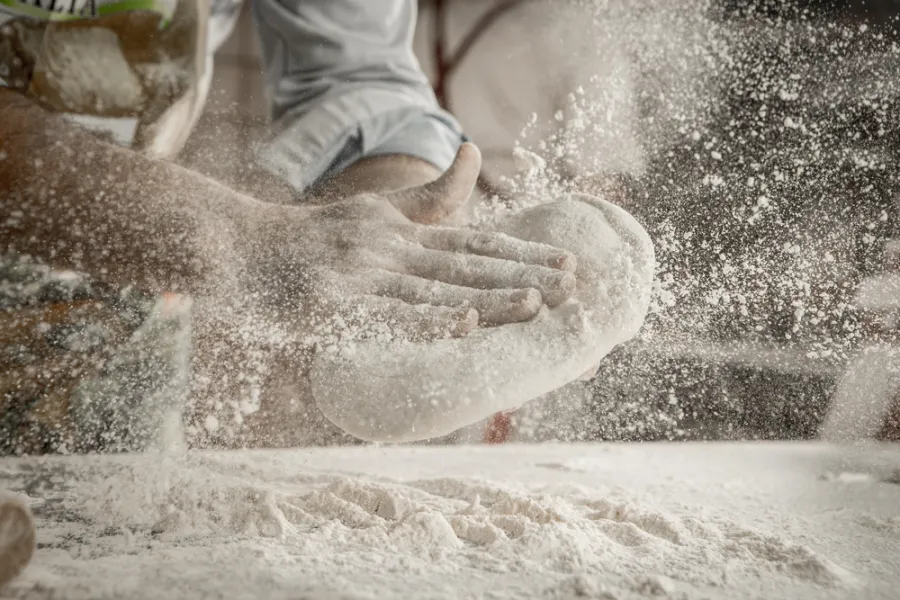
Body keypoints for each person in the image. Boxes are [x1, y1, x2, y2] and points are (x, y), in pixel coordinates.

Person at [0, 0, 579, 452]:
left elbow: (356, 72)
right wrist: (238, 241)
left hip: (120, 314)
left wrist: (397, 226)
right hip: (160, 233)